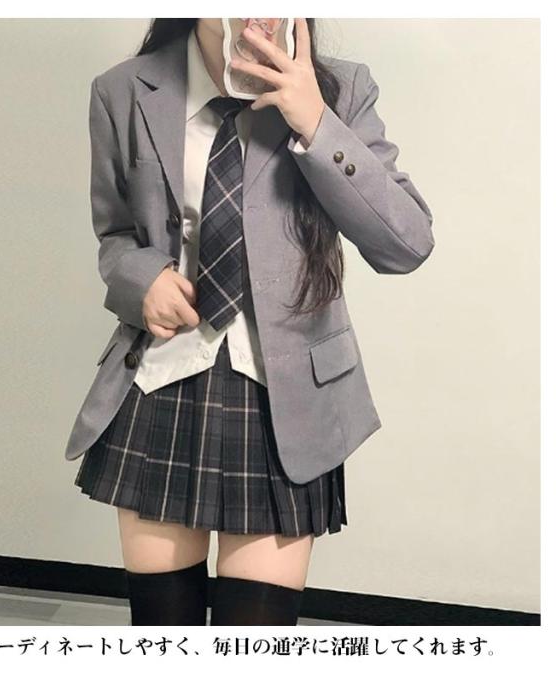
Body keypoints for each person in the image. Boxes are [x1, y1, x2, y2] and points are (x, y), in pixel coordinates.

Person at [68, 18, 435, 626]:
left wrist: (315, 122)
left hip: (285, 400)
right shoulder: (125, 88)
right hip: (160, 381)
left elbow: (407, 244)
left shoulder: (339, 90)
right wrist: (143, 280)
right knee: (162, 637)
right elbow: (115, 234)